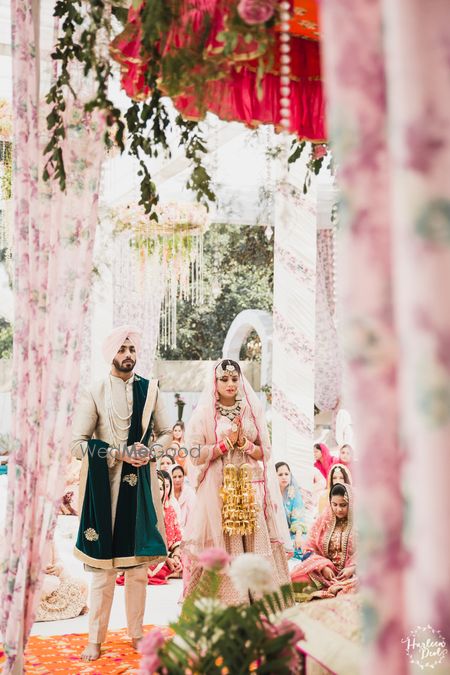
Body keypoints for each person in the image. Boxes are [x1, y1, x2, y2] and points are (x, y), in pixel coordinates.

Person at [70, 325, 172, 661]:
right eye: (122, 349)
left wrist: (151, 452)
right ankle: (95, 639)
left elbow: (167, 432)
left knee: (138, 568)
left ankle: (137, 633)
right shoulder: (95, 390)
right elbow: (77, 445)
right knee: (103, 570)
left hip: (138, 487)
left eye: (132, 348)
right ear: (110, 353)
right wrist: (116, 454)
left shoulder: (150, 390)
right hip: (104, 492)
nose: (128, 355)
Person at [183, 359, 292, 605]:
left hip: (250, 485)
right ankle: (230, 600)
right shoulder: (204, 414)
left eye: (235, 378)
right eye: (225, 379)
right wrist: (224, 445)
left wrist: (245, 444)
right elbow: (194, 453)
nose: (231, 383)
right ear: (215, 382)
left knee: (255, 538)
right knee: (226, 538)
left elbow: (266, 451)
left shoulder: (251, 410)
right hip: (219, 488)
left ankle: (262, 601)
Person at [290, 483, 357, 600]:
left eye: (343, 505)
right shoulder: (324, 520)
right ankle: (331, 591)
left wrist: (353, 568)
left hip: (352, 575)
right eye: (334, 504)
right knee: (295, 582)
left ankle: (336, 590)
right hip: (324, 573)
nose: (338, 509)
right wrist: (323, 567)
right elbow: (309, 549)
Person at [117, 470, 183, 586]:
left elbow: (177, 541)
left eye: (161, 489)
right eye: (154, 489)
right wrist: (167, 559)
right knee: (143, 564)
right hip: (146, 554)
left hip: (166, 554)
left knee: (189, 561)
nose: (158, 492)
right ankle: (168, 571)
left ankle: (171, 569)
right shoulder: (139, 511)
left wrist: (176, 557)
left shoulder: (169, 511)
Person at [35, 542, 88, 622]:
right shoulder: (20, 537)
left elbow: (58, 560)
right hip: (37, 586)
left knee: (82, 584)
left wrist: (58, 567)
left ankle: (50, 608)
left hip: (55, 582)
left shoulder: (49, 537)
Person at [275, 462, 307, 560]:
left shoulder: (294, 494)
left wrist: (298, 536)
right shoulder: (269, 494)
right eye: (280, 474)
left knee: (301, 546)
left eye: (286, 474)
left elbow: (298, 518)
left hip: (291, 533)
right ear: (274, 476)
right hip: (275, 534)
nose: (284, 477)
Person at [171, 463, 196, 531]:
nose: (177, 480)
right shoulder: (167, 493)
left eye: (180, 476)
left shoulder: (189, 492)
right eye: (174, 477)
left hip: (188, 530)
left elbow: (193, 515)